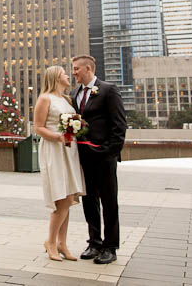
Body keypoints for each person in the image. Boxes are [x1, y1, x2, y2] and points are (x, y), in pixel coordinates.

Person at [70, 55, 127, 265]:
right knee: (89, 200)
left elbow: (119, 124)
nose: (74, 73)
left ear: (88, 68)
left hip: (104, 157)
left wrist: (109, 152)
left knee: (109, 201)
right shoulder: (74, 93)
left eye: (76, 69)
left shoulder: (108, 90)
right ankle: (94, 242)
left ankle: (110, 247)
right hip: (83, 157)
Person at [33, 65, 86, 262]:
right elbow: (38, 127)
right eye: (65, 73)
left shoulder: (67, 99)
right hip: (54, 150)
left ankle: (62, 243)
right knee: (61, 197)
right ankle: (50, 242)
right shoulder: (45, 98)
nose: (68, 75)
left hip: (69, 150)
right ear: (56, 77)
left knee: (69, 197)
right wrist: (57, 137)